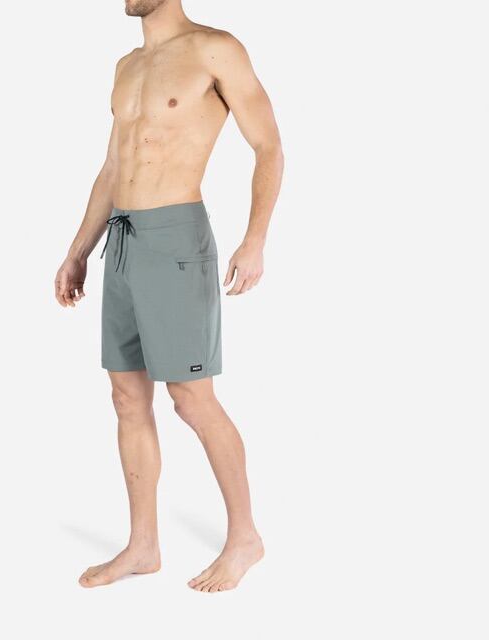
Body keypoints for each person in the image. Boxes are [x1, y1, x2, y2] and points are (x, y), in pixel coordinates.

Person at [55, 0, 284, 592]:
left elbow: (268, 145)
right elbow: (113, 167)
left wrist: (255, 238)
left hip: (176, 235)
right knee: (127, 396)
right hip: (122, 238)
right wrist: (78, 250)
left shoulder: (215, 49)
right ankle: (143, 546)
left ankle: (245, 538)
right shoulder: (127, 65)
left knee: (191, 398)